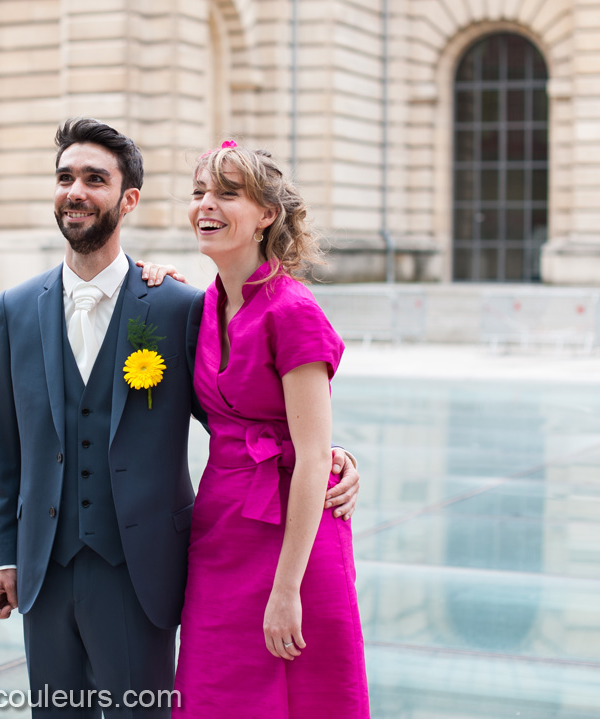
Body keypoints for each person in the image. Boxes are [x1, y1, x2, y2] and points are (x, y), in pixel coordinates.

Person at [0, 117, 360, 718]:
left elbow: (251, 419)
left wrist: (331, 456)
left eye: (94, 179)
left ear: (127, 199)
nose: (76, 191)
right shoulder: (19, 308)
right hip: (44, 567)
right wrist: (4, 554)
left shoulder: (176, 308)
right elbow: (2, 449)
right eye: (65, 177)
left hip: (143, 569)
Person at [166, 143, 371, 717]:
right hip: (221, 526)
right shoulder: (204, 305)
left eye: (227, 194)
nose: (206, 205)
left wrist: (286, 591)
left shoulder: (293, 310)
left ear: (267, 215)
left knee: (309, 695)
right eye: (200, 193)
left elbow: (310, 458)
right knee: (210, 690)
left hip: (295, 541)